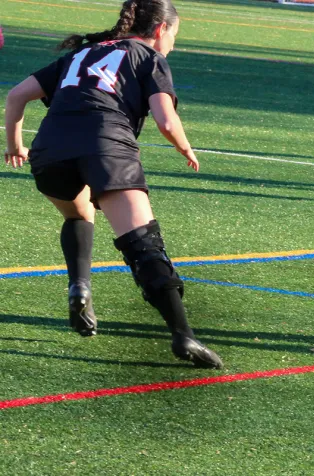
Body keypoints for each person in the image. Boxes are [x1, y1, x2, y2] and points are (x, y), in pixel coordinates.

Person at [3, 0, 223, 369]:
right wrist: (185, 147)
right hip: (106, 148)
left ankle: (80, 286)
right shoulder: (150, 58)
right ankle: (184, 334)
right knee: (144, 244)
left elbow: (15, 95)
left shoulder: (84, 53)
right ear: (159, 30)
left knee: (78, 214)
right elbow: (166, 121)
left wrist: (14, 146)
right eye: (174, 35)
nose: (172, 43)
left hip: (49, 150)